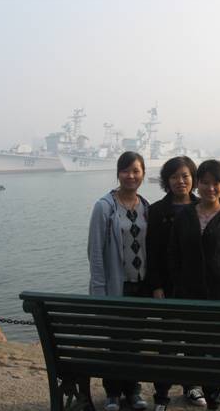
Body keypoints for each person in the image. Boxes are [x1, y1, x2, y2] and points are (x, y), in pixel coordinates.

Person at [169, 159, 220, 411]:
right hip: (191, 297)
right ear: (197, 184)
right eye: (204, 182)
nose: (210, 188)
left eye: (216, 183)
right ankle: (196, 390)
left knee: (217, 351)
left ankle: (214, 401)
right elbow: (173, 252)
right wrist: (180, 282)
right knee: (194, 347)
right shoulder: (185, 215)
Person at [88, 151, 150, 411]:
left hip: (140, 286)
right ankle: (113, 393)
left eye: (136, 171)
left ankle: (133, 391)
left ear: (143, 174)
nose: (131, 176)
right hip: (116, 287)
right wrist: (100, 291)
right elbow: (95, 252)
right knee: (115, 343)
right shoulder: (105, 206)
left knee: (135, 343)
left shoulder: (145, 206)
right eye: (125, 170)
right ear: (118, 173)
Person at [145, 156, 206, 411]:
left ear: (194, 178)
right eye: (174, 177)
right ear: (166, 181)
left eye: (185, 176)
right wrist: (156, 285)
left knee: (194, 340)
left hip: (197, 286)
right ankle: (161, 394)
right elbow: (152, 251)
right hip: (169, 285)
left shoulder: (205, 205)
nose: (180, 181)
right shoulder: (158, 210)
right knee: (168, 342)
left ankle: (192, 386)